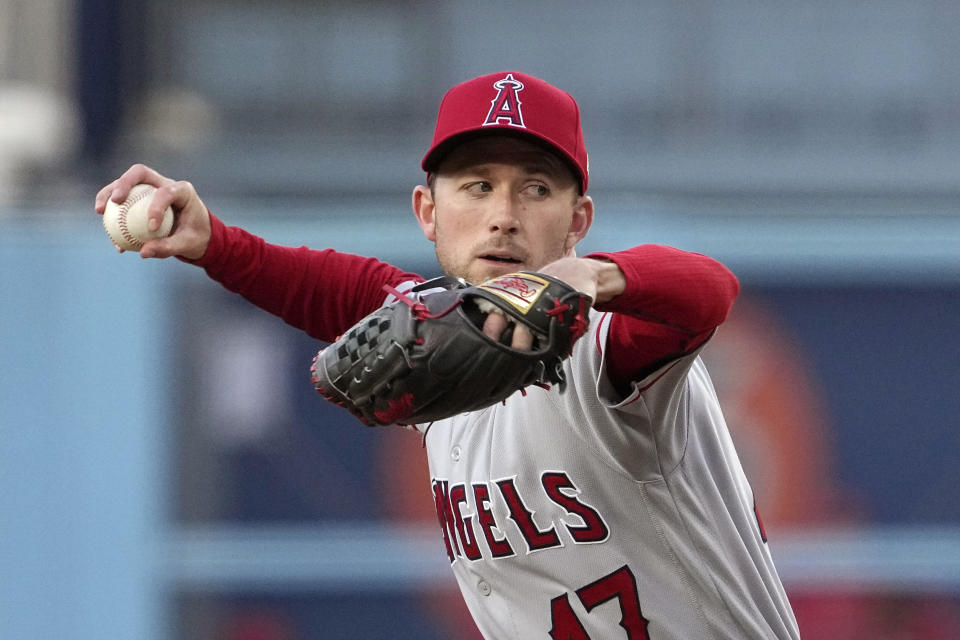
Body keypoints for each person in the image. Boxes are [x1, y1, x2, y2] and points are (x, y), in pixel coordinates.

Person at [96, 71, 800, 639]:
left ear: (577, 220)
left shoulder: (610, 346)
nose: (503, 212)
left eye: (535, 187)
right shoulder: (440, 332)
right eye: (476, 185)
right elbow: (333, 287)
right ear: (427, 212)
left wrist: (592, 276)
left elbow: (709, 290)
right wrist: (213, 242)